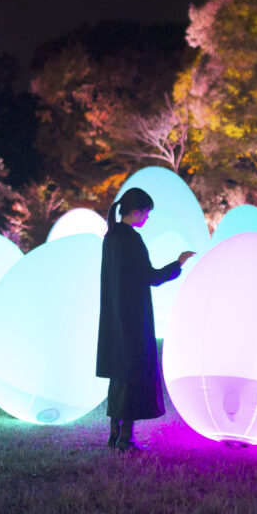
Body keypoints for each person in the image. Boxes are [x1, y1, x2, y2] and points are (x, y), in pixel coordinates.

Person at [96, 187, 195, 452]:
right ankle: (127, 439)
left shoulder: (111, 238)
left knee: (119, 377)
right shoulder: (131, 239)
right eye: (147, 213)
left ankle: (114, 435)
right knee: (133, 376)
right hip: (133, 319)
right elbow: (150, 277)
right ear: (137, 211)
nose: (147, 218)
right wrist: (178, 264)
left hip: (115, 318)